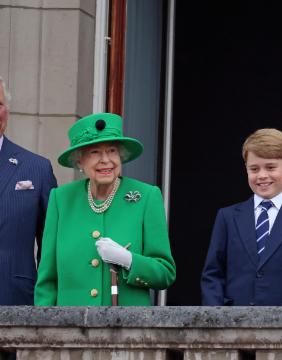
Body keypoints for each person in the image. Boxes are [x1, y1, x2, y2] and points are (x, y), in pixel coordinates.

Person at [34, 113, 176, 306]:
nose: (105, 160)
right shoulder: (61, 199)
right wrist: (45, 331)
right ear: (79, 161)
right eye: (94, 152)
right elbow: (47, 281)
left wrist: (129, 260)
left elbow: (165, 273)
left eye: (112, 151)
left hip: (127, 329)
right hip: (70, 328)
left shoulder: (146, 197)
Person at [201, 129, 282, 306]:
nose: (262, 175)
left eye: (271, 167)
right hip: (231, 324)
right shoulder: (227, 217)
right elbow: (212, 274)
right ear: (246, 169)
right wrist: (217, 318)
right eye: (254, 168)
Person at [0, 76, 57, 305]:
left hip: (15, 301)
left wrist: (47, 305)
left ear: (7, 111)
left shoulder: (37, 169)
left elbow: (51, 246)